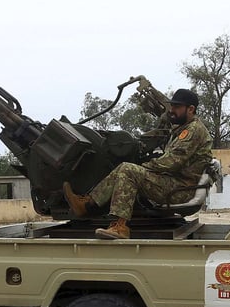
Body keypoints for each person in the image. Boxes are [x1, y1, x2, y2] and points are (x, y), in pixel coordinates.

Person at [63, 88, 213, 239]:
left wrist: (144, 166)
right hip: (175, 184)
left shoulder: (193, 130)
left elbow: (171, 162)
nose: (172, 110)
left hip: (180, 190)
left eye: (177, 107)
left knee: (129, 170)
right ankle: (87, 203)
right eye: (172, 106)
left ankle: (120, 227)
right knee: (125, 167)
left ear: (191, 109)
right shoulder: (184, 129)